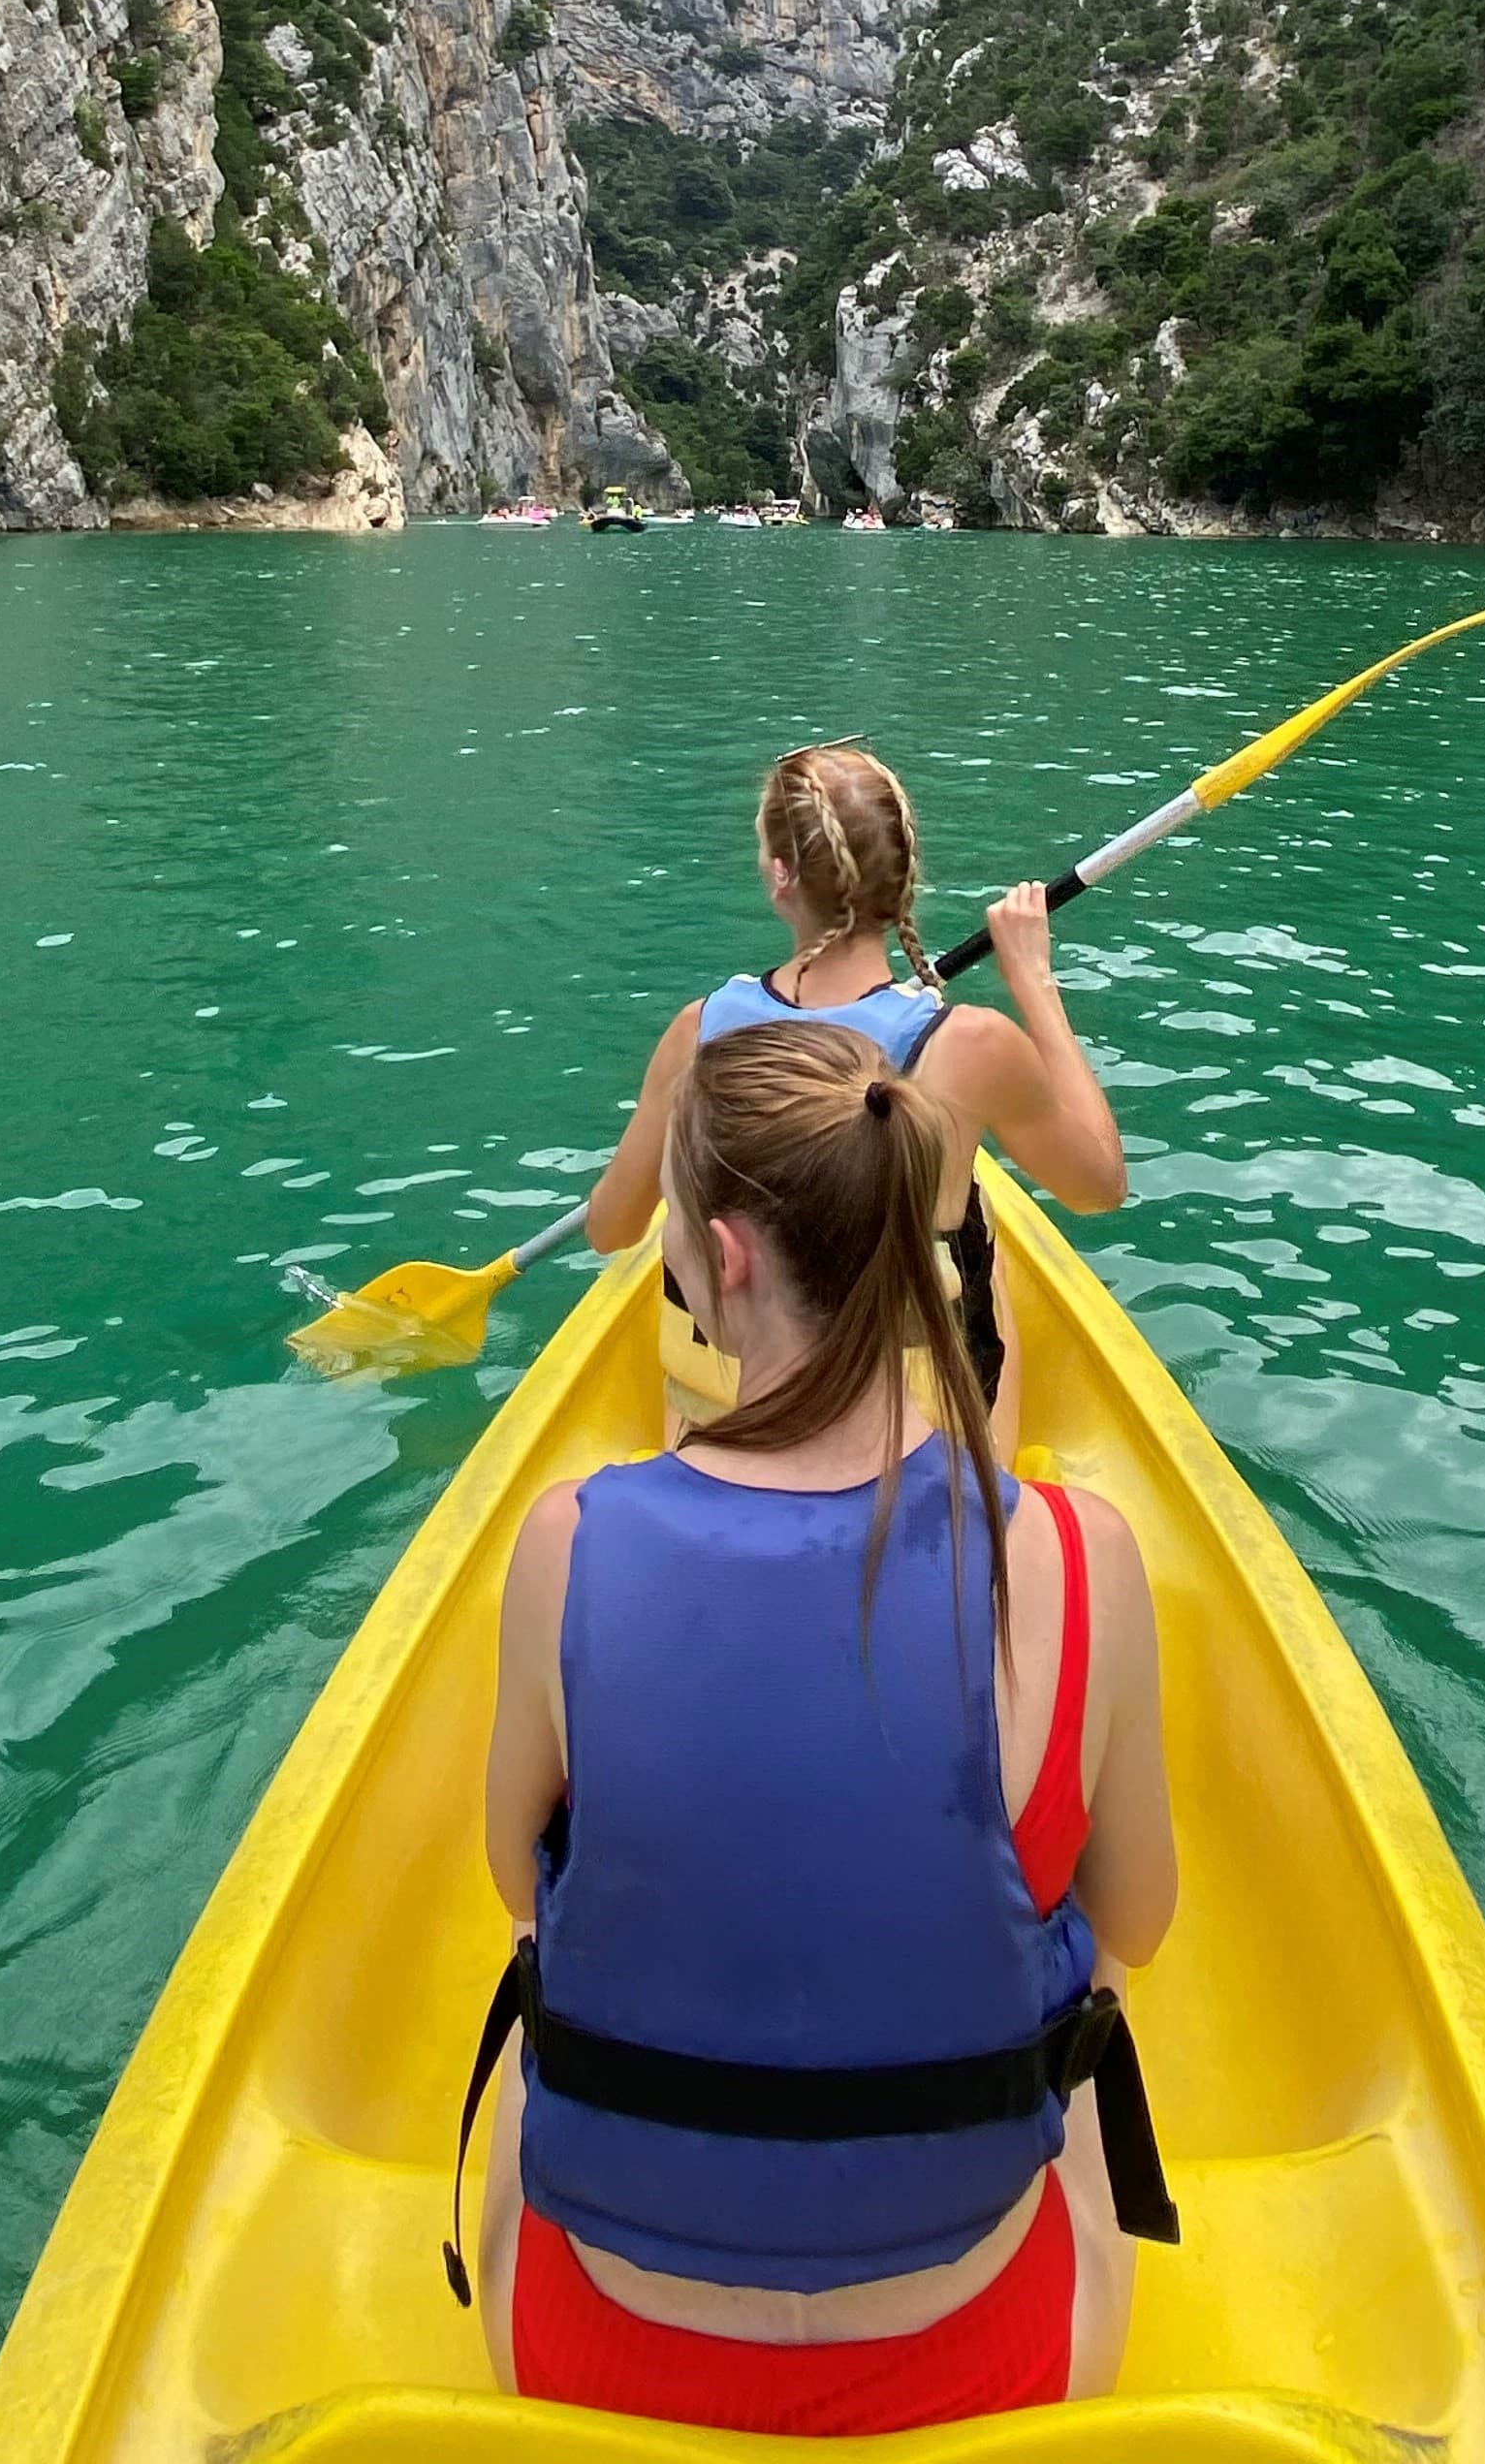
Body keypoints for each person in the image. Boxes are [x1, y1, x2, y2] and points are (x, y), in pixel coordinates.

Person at [467, 1022, 1179, 2422]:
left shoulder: (567, 1542)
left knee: (533, 1933)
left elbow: (515, 1883)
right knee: (1090, 2004)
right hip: (991, 2364)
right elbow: (1140, 1925)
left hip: (590, 2355)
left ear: (724, 1257)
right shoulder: (1081, 1559)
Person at [583, 743, 1125, 1442]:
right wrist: (1034, 983)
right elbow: (1098, 1187)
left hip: (727, 1396)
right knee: (971, 1218)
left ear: (781, 877)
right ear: (902, 881)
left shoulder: (698, 1032)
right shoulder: (970, 1046)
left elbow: (611, 1229)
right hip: (915, 1413)